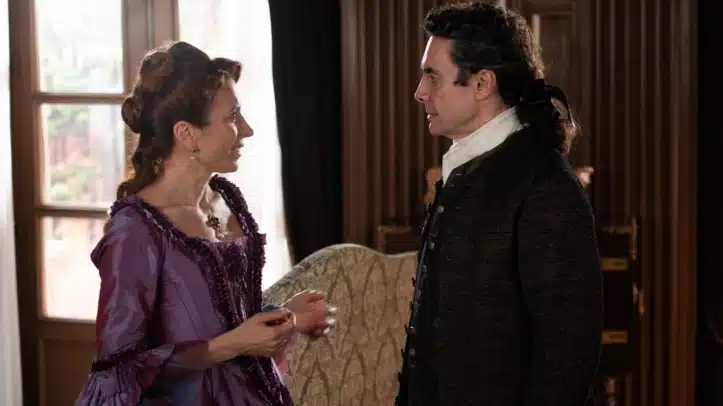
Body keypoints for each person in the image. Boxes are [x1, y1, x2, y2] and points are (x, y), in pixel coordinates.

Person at [74, 41, 336, 406]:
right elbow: (121, 370)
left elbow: (219, 318)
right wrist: (233, 345)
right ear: (186, 133)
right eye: (232, 118)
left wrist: (287, 316)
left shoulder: (227, 201)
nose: (247, 130)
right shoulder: (137, 229)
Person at [396, 2, 603, 405]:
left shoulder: (545, 183)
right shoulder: (464, 167)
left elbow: (568, 354)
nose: (420, 92)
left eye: (433, 76)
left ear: (482, 84)